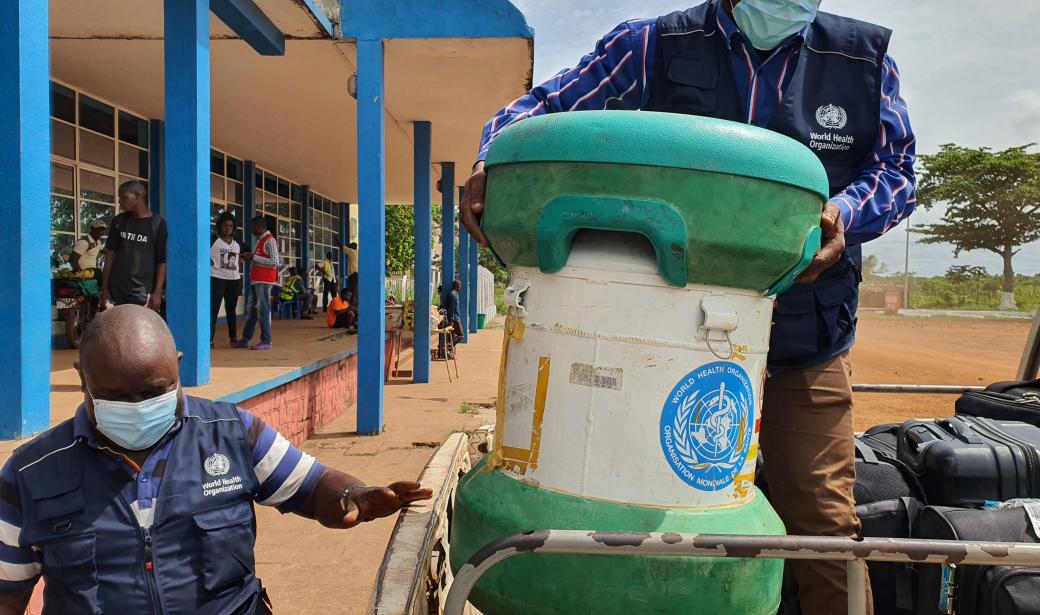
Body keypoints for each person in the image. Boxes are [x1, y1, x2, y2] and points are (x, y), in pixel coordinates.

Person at [458, 1, 917, 611]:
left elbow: (897, 170)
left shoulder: (861, 59)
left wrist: (843, 213)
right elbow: (541, 110)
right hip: (658, 341)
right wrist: (494, 157)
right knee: (642, 510)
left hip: (803, 341)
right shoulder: (655, 45)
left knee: (824, 528)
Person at [0, 306, 431, 614]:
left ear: (178, 368)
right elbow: (7, 594)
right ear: (82, 379)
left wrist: (353, 495)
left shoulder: (233, 434)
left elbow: (311, 486)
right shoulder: (29, 473)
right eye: (116, 396)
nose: (136, 406)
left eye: (153, 391)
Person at [101, 180, 167, 311]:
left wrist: (158, 292)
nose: (119, 201)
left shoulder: (157, 224)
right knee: (114, 328)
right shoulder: (118, 221)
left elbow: (161, 261)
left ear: (138, 197)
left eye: (123, 197)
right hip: (115, 291)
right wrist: (104, 288)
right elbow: (109, 257)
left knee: (137, 329)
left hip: (141, 292)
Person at [234, 216, 279, 350]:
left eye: (253, 227)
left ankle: (266, 341)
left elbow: (275, 262)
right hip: (257, 281)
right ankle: (246, 339)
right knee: (252, 311)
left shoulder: (269, 240)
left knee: (263, 311)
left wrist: (254, 257)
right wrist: (250, 257)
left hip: (264, 282)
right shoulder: (260, 240)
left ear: (259, 226)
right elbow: (262, 259)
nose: (251, 230)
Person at [210, 212, 243, 347]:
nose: (228, 228)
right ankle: (210, 340)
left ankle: (233, 338)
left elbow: (245, 254)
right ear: (220, 226)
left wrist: (242, 258)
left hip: (233, 280)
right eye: (225, 226)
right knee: (213, 310)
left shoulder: (237, 242)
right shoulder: (212, 240)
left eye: (230, 226)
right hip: (217, 279)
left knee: (231, 309)